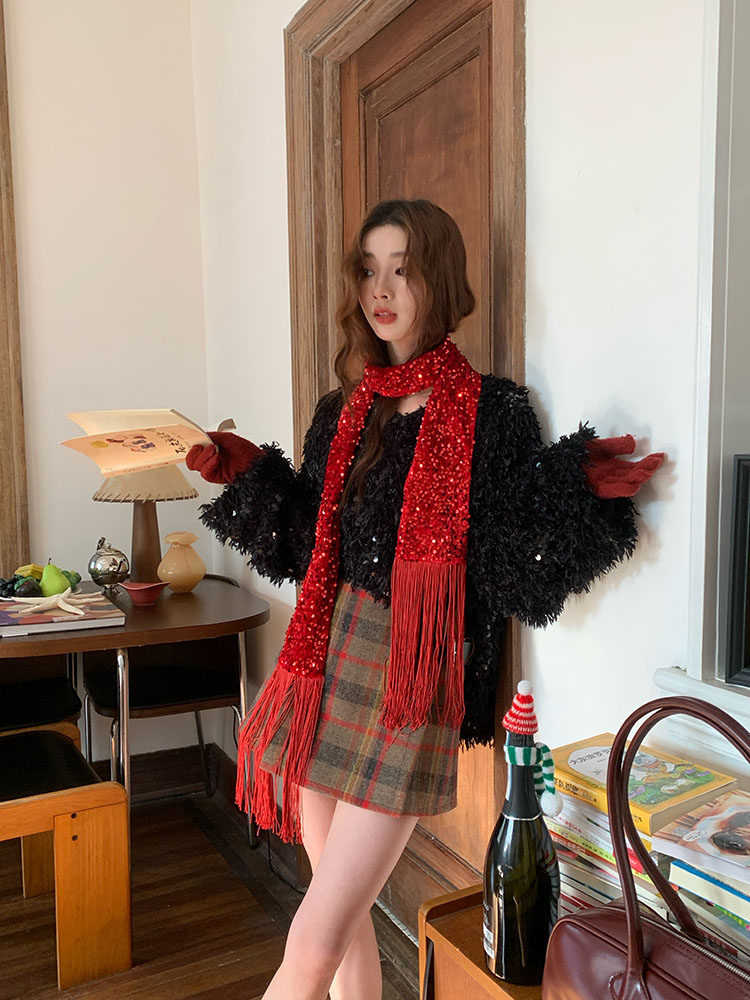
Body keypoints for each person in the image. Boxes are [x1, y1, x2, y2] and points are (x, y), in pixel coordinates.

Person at [187, 199, 664, 1000]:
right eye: (369, 270)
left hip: (412, 675)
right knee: (343, 933)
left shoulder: (493, 411)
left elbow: (506, 549)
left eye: (402, 270)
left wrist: (576, 492)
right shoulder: (342, 412)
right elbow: (309, 539)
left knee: (312, 940)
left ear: (437, 279)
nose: (381, 290)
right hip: (326, 662)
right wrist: (246, 473)